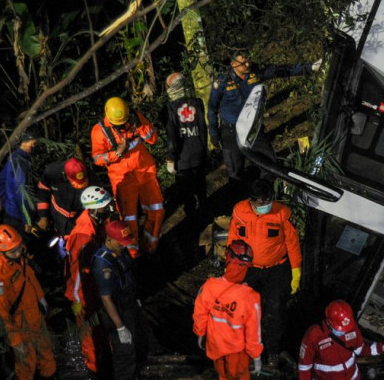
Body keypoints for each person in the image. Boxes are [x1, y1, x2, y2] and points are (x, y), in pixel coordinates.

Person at [207, 52, 322, 180]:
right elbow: (212, 107)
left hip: (252, 127)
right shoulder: (222, 80)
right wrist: (213, 133)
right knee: (235, 170)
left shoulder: (256, 72)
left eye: (248, 60)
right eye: (243, 62)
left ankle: (267, 191)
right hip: (230, 130)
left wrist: (310, 67)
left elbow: (281, 70)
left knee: (269, 162)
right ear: (233, 64)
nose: (247, 64)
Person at [227, 178, 301, 364]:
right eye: (262, 203)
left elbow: (292, 243)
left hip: (276, 269)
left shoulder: (282, 213)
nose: (266, 206)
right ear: (252, 201)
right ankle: (248, 346)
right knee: (247, 309)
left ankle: (274, 349)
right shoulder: (239, 211)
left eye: (269, 202)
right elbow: (233, 239)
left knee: (276, 309)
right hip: (250, 269)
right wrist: (231, 268)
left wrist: (296, 271)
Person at [192, 240, 263, 380]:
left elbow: (200, 312)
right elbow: (253, 332)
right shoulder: (250, 297)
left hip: (215, 346)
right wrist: (256, 356)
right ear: (248, 265)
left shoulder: (210, 286)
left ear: (227, 259)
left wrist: (201, 333)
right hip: (236, 353)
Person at [0, 224, 57, 380]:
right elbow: (2, 311)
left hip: (34, 316)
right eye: (13, 252)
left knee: (46, 351)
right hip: (20, 324)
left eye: (19, 248)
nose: (18, 253)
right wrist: (15, 339)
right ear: (0, 251)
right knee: (26, 362)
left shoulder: (19, 255)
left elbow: (30, 278)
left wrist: (41, 297)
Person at [91, 97, 164, 255]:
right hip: (122, 179)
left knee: (157, 210)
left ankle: (150, 246)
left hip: (145, 172)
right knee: (128, 220)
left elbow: (153, 139)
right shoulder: (100, 131)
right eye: (119, 124)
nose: (123, 126)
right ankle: (132, 255)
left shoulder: (136, 117)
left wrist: (141, 127)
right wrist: (117, 153)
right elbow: (97, 158)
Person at [90, 220, 150, 380]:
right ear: (109, 240)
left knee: (140, 342)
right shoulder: (102, 263)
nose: (124, 246)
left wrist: (136, 300)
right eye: (121, 242)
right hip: (116, 310)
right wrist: (119, 326)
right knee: (125, 350)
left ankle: (135, 376)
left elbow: (130, 276)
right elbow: (106, 299)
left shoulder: (120, 252)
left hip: (130, 303)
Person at [65, 186, 115, 375]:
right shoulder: (83, 236)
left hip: (94, 286)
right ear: (94, 209)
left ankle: (104, 358)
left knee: (100, 324)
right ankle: (94, 368)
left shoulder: (95, 226)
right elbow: (75, 271)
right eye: (104, 207)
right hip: (82, 292)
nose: (108, 209)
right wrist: (78, 299)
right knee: (88, 330)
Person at [165, 72, 208, 217]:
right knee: (201, 188)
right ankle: (205, 214)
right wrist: (204, 149)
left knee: (186, 193)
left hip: (182, 158)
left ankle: (192, 221)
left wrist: (171, 158)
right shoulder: (197, 102)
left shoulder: (170, 108)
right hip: (198, 153)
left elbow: (172, 137)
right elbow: (203, 129)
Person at [0, 127, 42, 238]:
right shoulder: (20, 162)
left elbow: (0, 181)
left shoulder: (14, 156)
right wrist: (27, 221)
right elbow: (22, 193)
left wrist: (5, 202)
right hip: (19, 218)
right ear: (33, 143)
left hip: (10, 212)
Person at [36, 156, 98, 237]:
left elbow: (97, 200)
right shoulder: (52, 172)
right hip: (56, 215)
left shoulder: (92, 178)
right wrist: (43, 216)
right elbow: (43, 191)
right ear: (65, 174)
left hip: (79, 217)